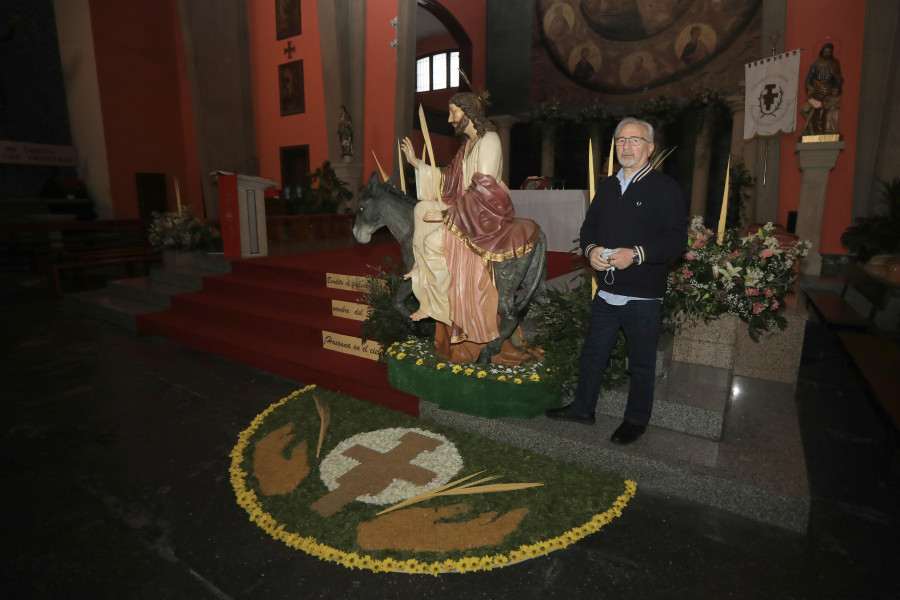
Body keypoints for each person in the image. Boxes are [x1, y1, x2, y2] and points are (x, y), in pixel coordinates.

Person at [546, 117, 686, 445]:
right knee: (593, 353)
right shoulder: (609, 186)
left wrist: (636, 254)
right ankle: (583, 408)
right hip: (607, 291)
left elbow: (677, 241)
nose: (626, 146)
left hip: (642, 296)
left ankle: (635, 420)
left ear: (650, 148)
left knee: (640, 363)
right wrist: (591, 249)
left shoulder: (665, 188)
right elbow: (588, 228)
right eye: (621, 140)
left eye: (634, 140)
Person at [400, 92, 539, 345]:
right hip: (466, 204)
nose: (451, 119)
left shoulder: (490, 141)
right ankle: (424, 281)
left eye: (454, 111)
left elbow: (484, 191)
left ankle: (442, 308)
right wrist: (417, 164)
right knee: (420, 209)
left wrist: (447, 215)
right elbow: (449, 179)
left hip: (485, 212)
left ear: (469, 112)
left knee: (433, 243)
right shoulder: (467, 145)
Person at [799, 43, 843, 136]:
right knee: (804, 110)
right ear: (822, 51)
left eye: (829, 52)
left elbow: (838, 79)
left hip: (828, 92)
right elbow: (808, 79)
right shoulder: (815, 64)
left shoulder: (834, 63)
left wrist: (835, 90)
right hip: (816, 91)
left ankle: (818, 132)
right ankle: (811, 130)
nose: (827, 53)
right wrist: (809, 87)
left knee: (821, 109)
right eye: (825, 51)